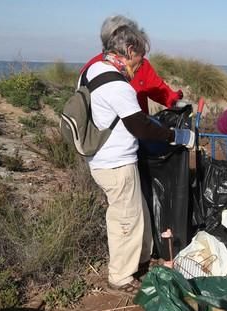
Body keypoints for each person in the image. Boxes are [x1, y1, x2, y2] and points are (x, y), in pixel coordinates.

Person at [84, 22, 195, 294]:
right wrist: (177, 137)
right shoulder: (116, 83)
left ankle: (142, 261)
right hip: (115, 162)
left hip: (105, 157)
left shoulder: (93, 69)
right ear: (129, 50)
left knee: (138, 214)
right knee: (125, 220)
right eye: (140, 58)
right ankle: (120, 278)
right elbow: (140, 126)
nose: (140, 64)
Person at [82, 15, 184, 113]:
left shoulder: (142, 64)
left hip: (142, 126)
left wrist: (178, 102)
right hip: (112, 129)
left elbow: (160, 91)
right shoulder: (93, 67)